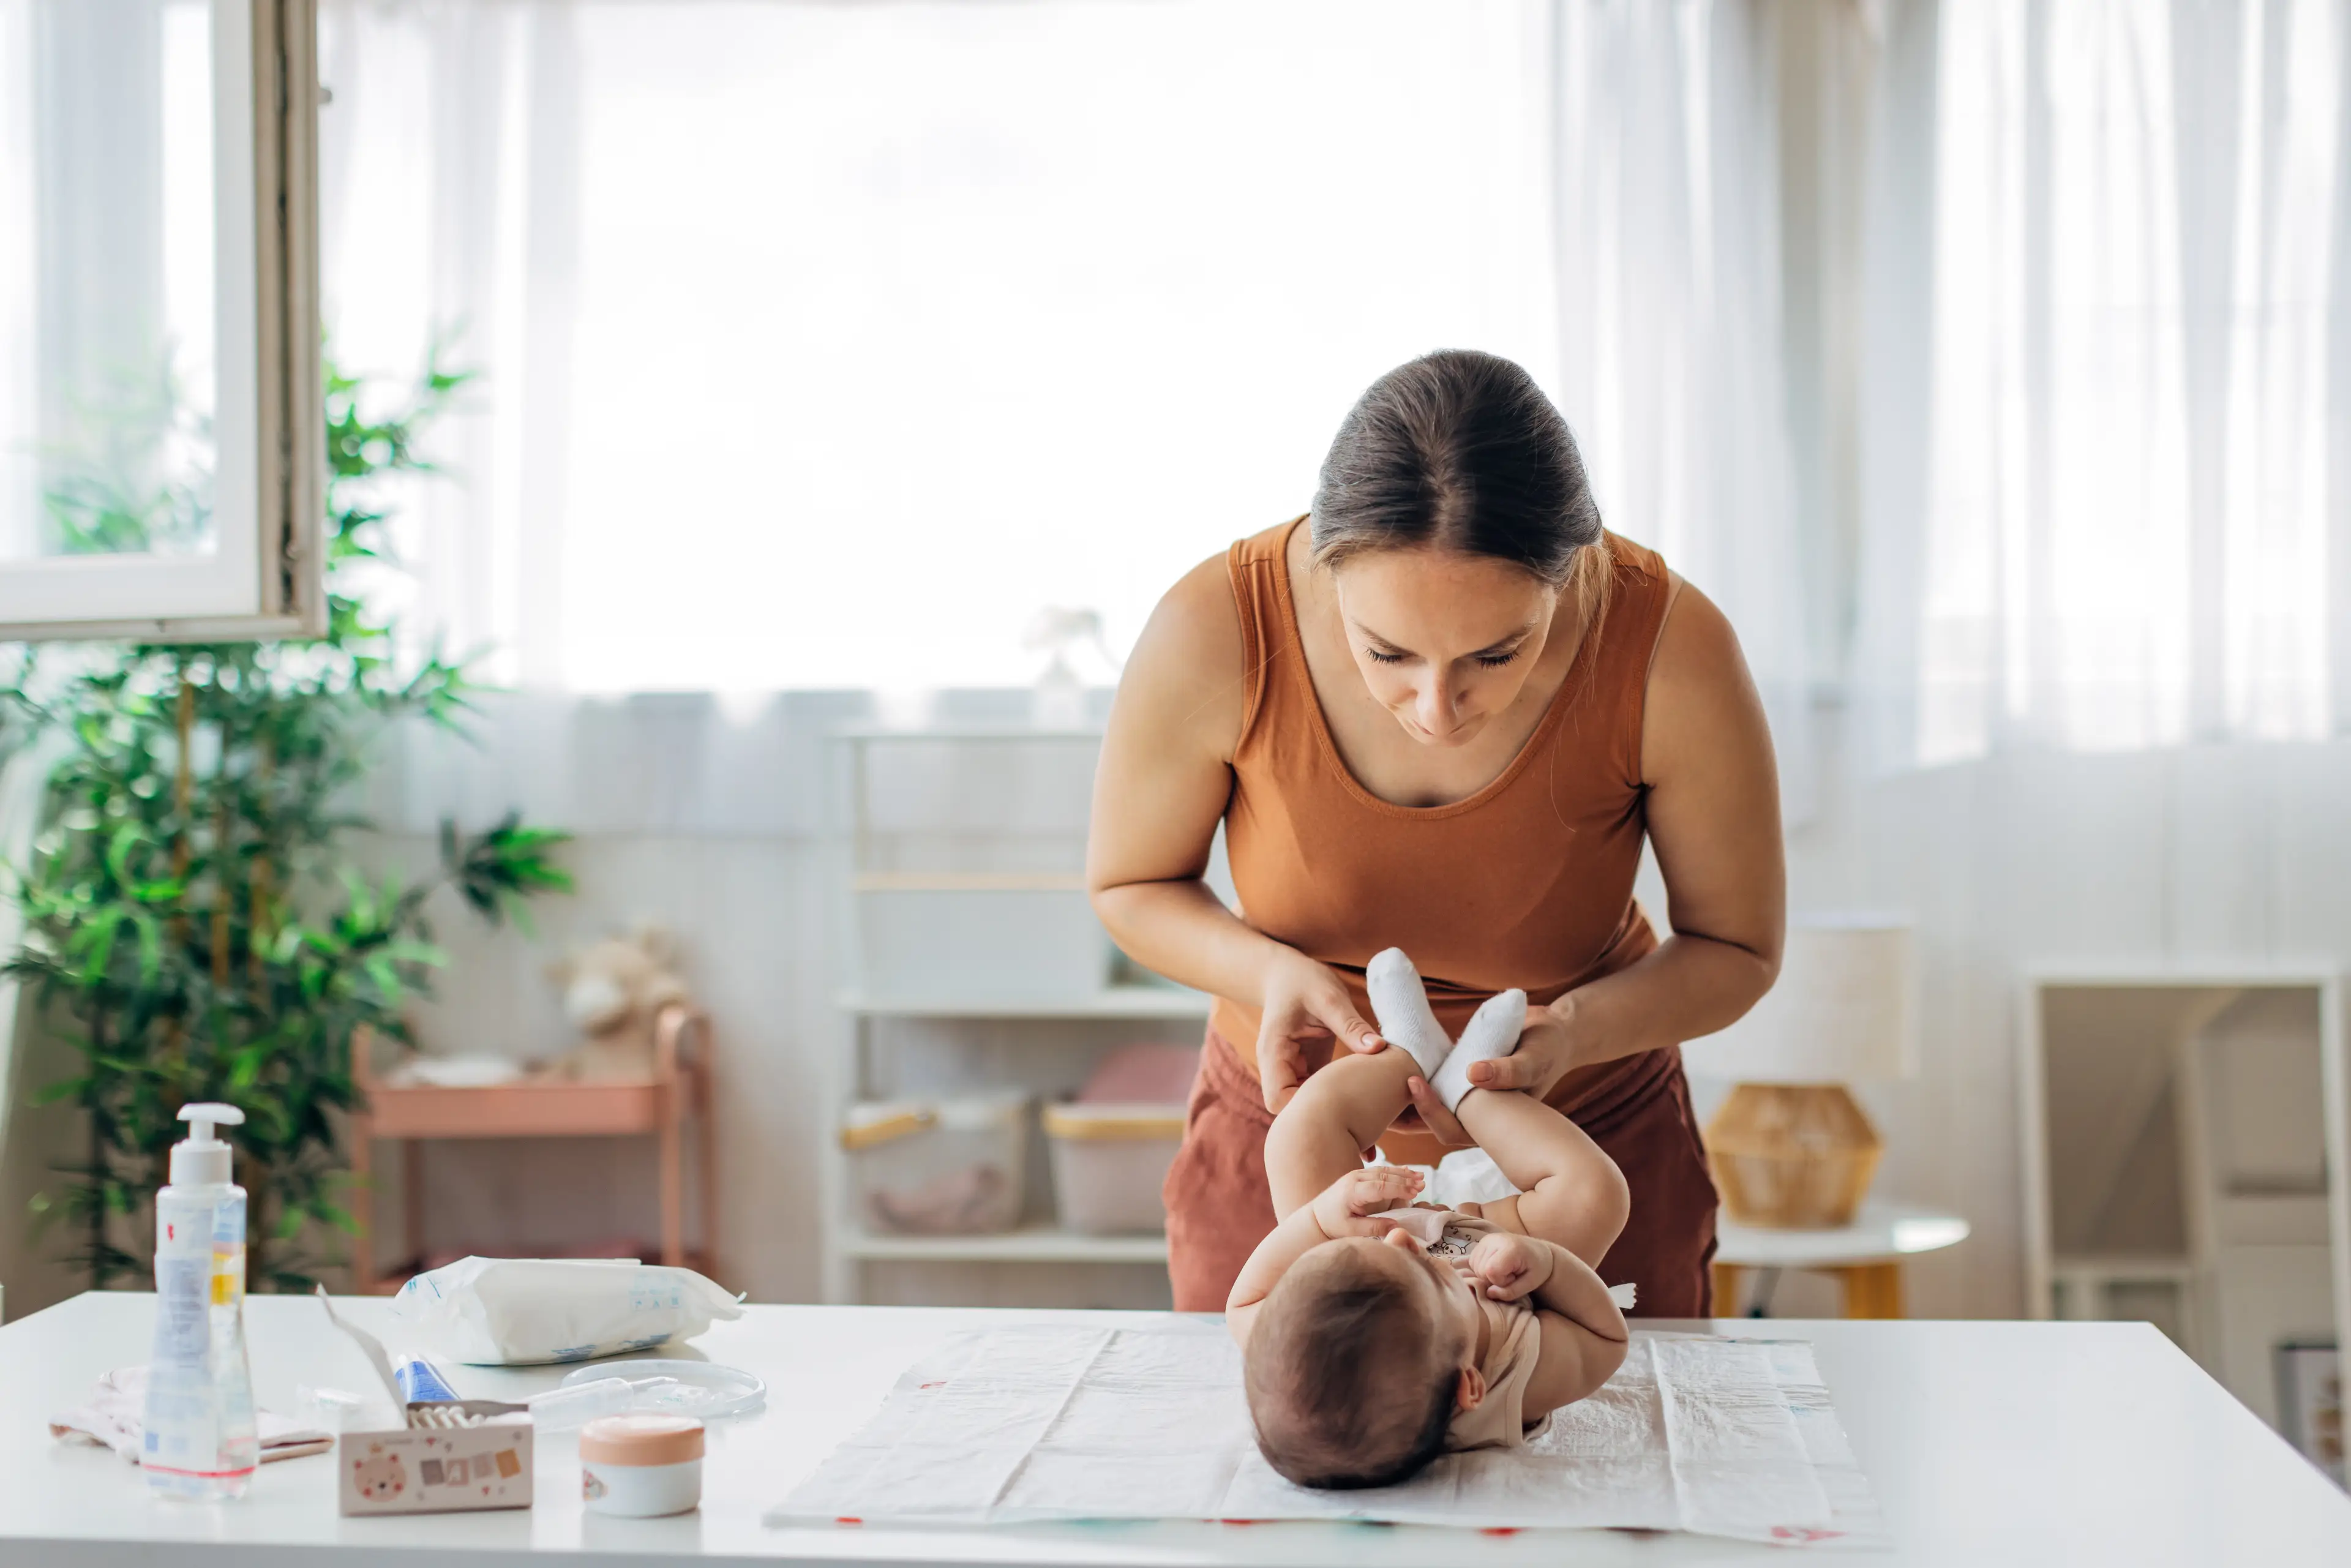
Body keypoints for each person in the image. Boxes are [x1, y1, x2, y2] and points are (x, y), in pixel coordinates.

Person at [1086, 348, 1785, 1314]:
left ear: (1570, 577)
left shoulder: (1671, 650)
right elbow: (1131, 885)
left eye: (1498, 654)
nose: (1438, 709)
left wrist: (1575, 1032)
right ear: (1327, 572)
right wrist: (1270, 975)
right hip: (1282, 1137)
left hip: (1585, 1144)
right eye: (1387, 652)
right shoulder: (1213, 629)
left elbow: (1737, 947)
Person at [1228, 948, 1632, 1489]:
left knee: (1296, 1136)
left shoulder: (1301, 1341)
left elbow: (1244, 1302)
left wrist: (1324, 1222)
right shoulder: (1517, 1378)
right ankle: (1472, 1093)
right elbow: (1605, 1338)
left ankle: (1406, 1056)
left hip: (1358, 1221)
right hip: (1498, 1232)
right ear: (1470, 1385)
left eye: (1389, 1253)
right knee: (1595, 1194)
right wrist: (1547, 1263)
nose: (1403, 1238)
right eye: (1423, 1268)